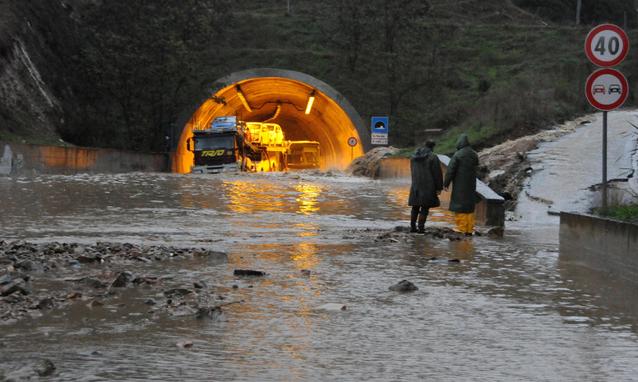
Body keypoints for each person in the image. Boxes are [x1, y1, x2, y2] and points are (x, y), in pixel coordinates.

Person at [443, 134, 479, 236]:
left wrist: (446, 183)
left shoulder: (458, 155)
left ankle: (461, 228)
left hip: (460, 184)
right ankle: (469, 229)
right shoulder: (474, 154)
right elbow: (477, 166)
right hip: (471, 184)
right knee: (469, 206)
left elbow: (450, 170)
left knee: (460, 205)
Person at [408, 140, 443, 233]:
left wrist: (415, 182)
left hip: (416, 185)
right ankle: (421, 228)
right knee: (425, 207)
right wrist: (439, 187)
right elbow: (437, 174)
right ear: (432, 147)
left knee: (415, 206)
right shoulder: (433, 157)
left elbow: (412, 171)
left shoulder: (413, 157)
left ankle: (412, 227)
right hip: (428, 186)